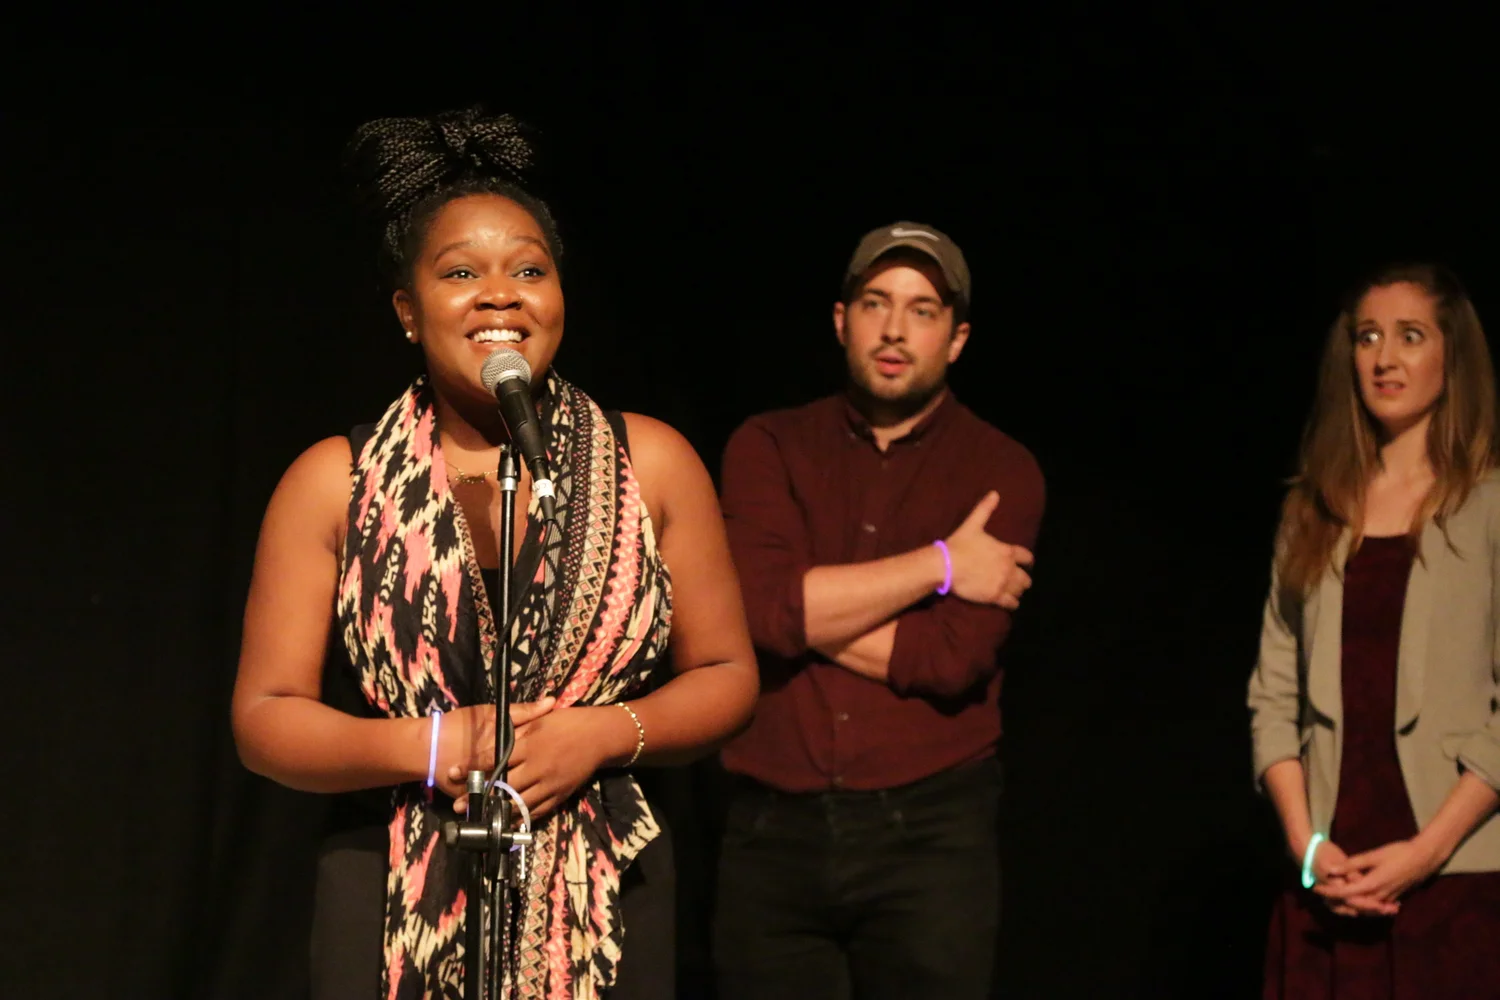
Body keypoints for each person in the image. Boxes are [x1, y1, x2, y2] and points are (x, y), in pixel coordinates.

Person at [230, 108, 758, 1000]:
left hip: (605, 888)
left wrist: (605, 732)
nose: (501, 295)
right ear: (407, 311)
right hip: (389, 879)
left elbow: (729, 676)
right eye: (461, 272)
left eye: (529, 270)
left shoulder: (653, 461)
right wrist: (434, 742)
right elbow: (264, 718)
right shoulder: (332, 480)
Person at [711, 221, 1045, 999]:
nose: (894, 329)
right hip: (771, 834)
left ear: (956, 339)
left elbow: (950, 659)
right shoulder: (767, 444)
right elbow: (758, 614)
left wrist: (798, 610)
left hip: (930, 833)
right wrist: (945, 564)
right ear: (841, 320)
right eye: (875, 303)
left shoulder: (1002, 469)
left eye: (922, 311)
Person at [1248, 263, 1500, 998]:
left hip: (1458, 882)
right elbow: (1273, 697)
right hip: (1331, 881)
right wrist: (1308, 848)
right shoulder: (1314, 510)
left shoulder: (1488, 507)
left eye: (1410, 336)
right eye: (1367, 337)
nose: (1384, 358)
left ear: (1452, 356)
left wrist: (1425, 852)